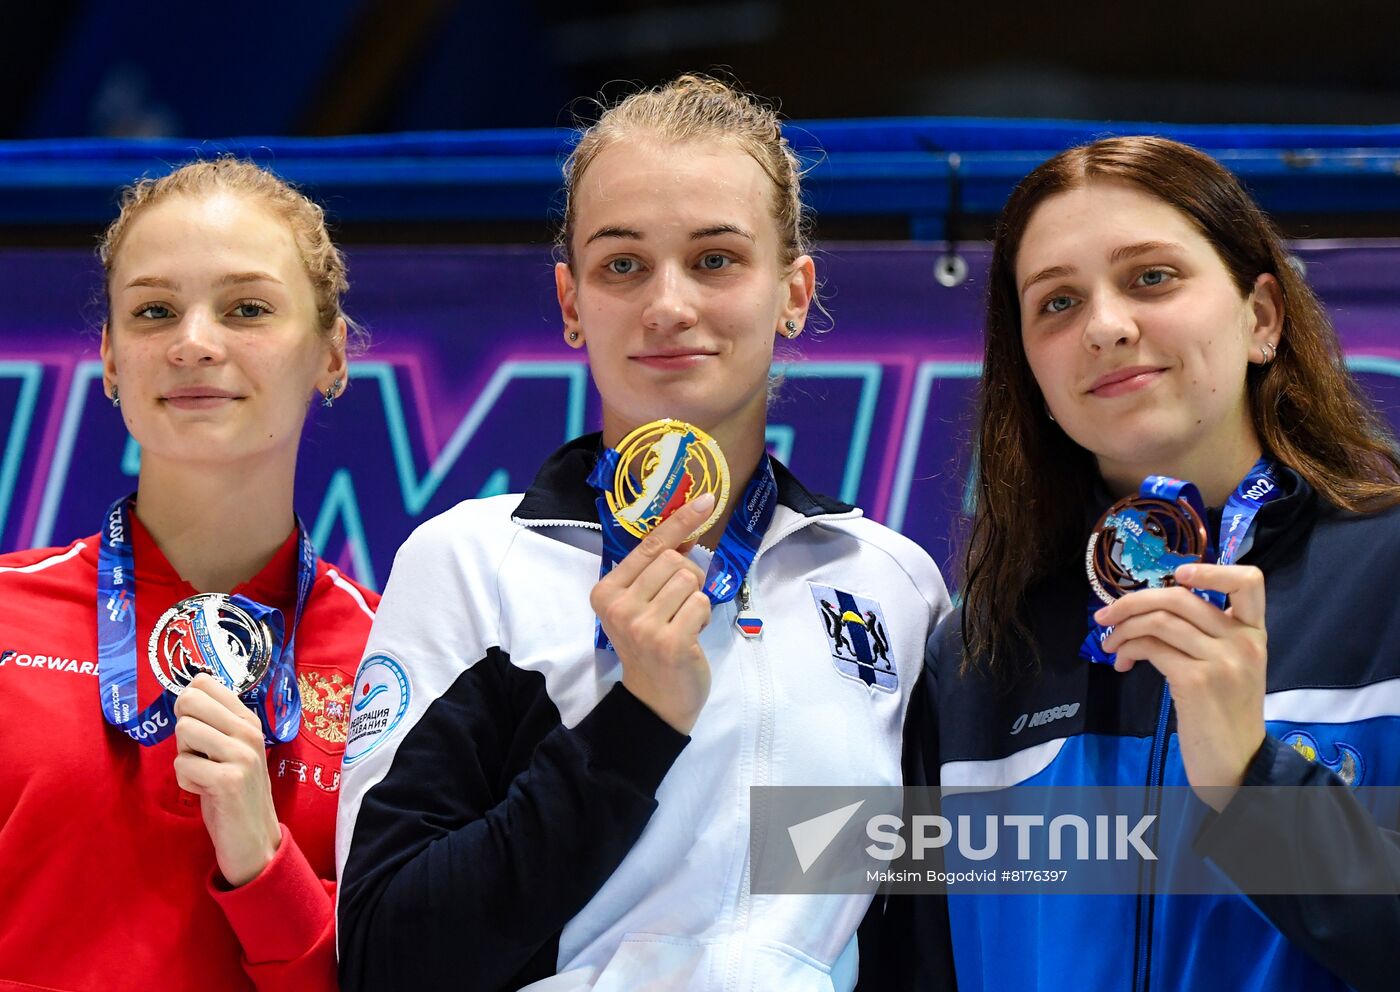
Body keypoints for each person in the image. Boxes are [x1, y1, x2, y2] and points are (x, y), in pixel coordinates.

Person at [336, 74, 951, 992]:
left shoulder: (892, 586)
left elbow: (912, 939)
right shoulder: (474, 562)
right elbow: (390, 953)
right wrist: (637, 722)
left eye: (715, 260)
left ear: (793, 290)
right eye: (622, 265)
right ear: (572, 301)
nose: (668, 305)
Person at [905, 136, 1400, 991]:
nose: (1105, 326)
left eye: (1151, 278)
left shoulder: (1388, 577)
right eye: (1056, 303)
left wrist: (1254, 785)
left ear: (1262, 318)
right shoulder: (977, 655)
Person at [0, 158, 379, 992]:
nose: (194, 342)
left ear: (331, 353)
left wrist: (265, 863)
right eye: (153, 311)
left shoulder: (397, 657)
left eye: (246, 309)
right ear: (108, 358)